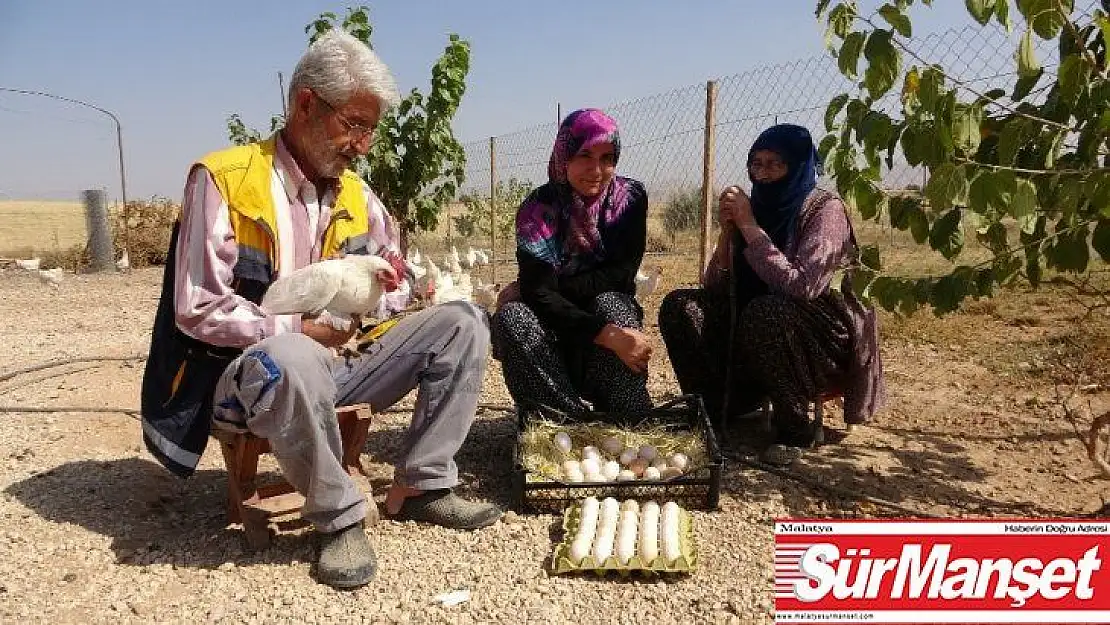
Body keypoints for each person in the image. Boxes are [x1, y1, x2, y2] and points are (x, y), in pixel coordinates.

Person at [139, 30, 501, 590]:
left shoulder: (359, 196)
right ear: (306, 103)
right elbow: (196, 307)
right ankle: (337, 517)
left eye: (371, 130)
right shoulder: (224, 181)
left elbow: (390, 280)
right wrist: (294, 328)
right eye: (354, 124)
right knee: (293, 354)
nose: (363, 143)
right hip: (249, 380)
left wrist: (409, 294)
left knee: (464, 324)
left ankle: (425, 483)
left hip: (341, 366)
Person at [658, 123, 884, 466]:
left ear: (798, 166)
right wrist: (728, 234)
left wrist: (750, 228)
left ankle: (795, 430)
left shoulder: (824, 210)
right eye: (756, 164)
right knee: (681, 305)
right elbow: (715, 288)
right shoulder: (756, 208)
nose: (763, 174)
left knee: (767, 311)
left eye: (775, 164)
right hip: (757, 330)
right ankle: (718, 407)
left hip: (819, 339)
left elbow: (803, 286)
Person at [491, 108, 653, 416]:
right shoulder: (537, 210)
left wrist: (545, 288)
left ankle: (625, 414)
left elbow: (620, 275)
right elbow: (540, 296)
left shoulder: (629, 199)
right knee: (512, 317)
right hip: (554, 328)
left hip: (605, 325)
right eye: (585, 155)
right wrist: (606, 334)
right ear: (564, 156)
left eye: (607, 158)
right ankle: (561, 422)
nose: (596, 169)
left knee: (613, 304)